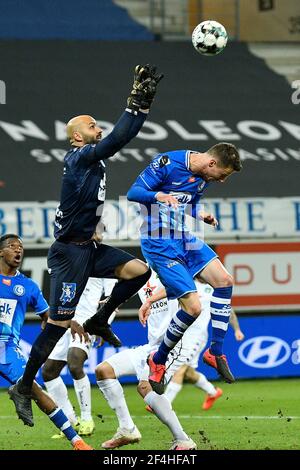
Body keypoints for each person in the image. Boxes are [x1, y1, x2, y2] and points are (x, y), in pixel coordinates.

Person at [9, 64, 164, 425]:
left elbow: (116, 140)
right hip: (68, 254)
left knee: (139, 271)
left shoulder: (88, 157)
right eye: (92, 125)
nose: (98, 129)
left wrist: (141, 106)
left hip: (88, 248)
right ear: (78, 137)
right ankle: (23, 385)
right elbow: (118, 139)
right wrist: (137, 103)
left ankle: (96, 319)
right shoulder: (79, 157)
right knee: (58, 325)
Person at [126, 145, 242, 390]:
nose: (221, 181)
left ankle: (215, 351)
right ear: (211, 163)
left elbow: (188, 203)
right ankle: (157, 360)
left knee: (225, 281)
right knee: (193, 308)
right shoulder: (167, 163)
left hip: (183, 237)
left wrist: (201, 215)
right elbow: (133, 192)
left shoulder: (203, 178)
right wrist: (158, 196)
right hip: (158, 242)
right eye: (222, 175)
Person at [0, 234, 92, 450]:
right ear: (1, 252)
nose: (18, 250)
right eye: (12, 246)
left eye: (20, 247)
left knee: (34, 389)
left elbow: (49, 317)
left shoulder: (27, 286)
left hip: (6, 349)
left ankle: (76, 441)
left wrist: (70, 322)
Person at [95, 270, 200, 450]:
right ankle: (127, 429)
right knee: (104, 371)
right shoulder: (142, 272)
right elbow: (124, 292)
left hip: (174, 344)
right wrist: (111, 305)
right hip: (152, 345)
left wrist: (150, 300)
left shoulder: (171, 268)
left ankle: (182, 439)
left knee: (146, 387)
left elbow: (178, 287)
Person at [42, 276, 117, 438]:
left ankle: (86, 419)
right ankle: (69, 420)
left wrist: (103, 325)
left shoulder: (102, 260)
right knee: (48, 371)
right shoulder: (65, 256)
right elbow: (57, 290)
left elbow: (113, 298)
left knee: (75, 364)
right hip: (62, 320)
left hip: (86, 322)